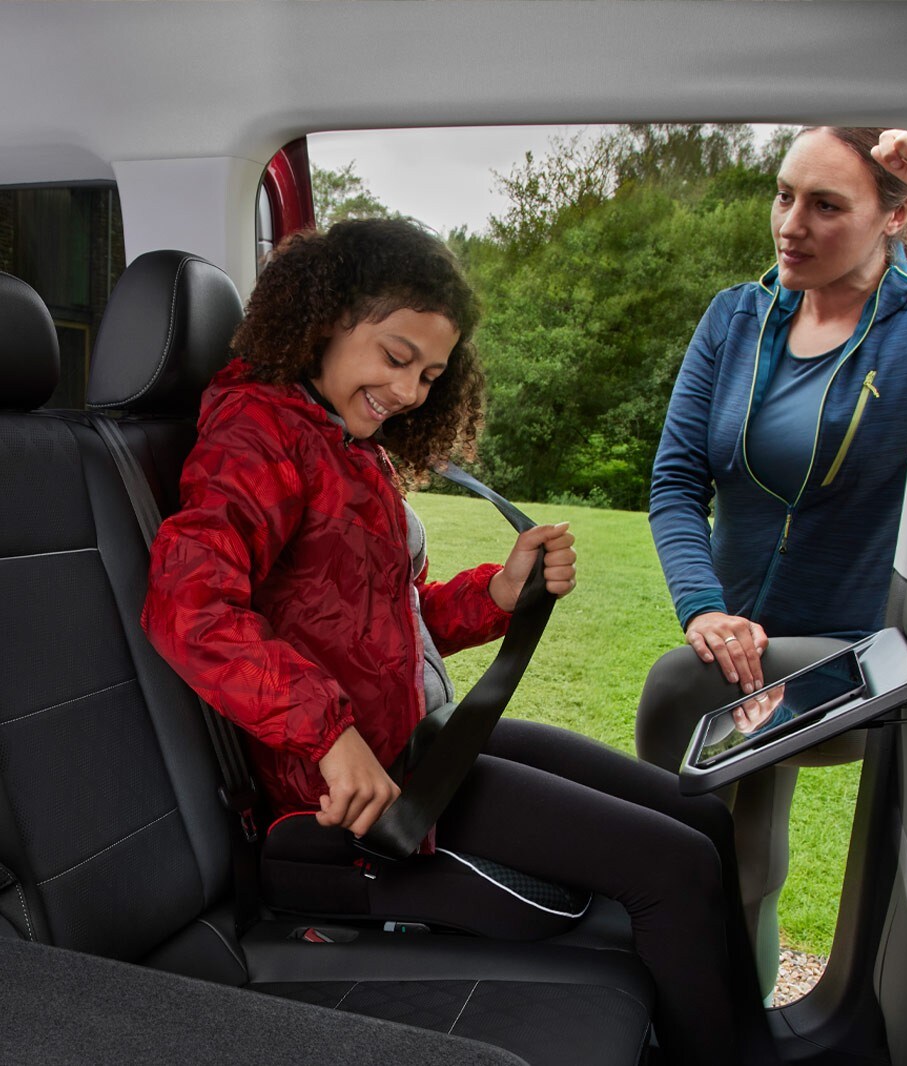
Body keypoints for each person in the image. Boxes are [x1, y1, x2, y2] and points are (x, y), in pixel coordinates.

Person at [141, 218, 771, 1066]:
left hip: (420, 743)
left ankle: (760, 1041)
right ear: (323, 320)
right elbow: (190, 608)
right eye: (395, 358)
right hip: (357, 798)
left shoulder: (345, 445)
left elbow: (382, 624)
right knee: (674, 869)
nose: (408, 392)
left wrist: (500, 593)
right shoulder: (257, 438)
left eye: (431, 375)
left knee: (699, 815)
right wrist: (329, 737)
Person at [643, 128, 907, 992]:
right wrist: (704, 606)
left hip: (865, 653)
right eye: (784, 195)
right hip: (740, 639)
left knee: (678, 692)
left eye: (825, 205)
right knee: (736, 845)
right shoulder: (735, 317)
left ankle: (644, 918)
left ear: (901, 212)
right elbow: (674, 482)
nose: (791, 224)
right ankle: (728, 1011)